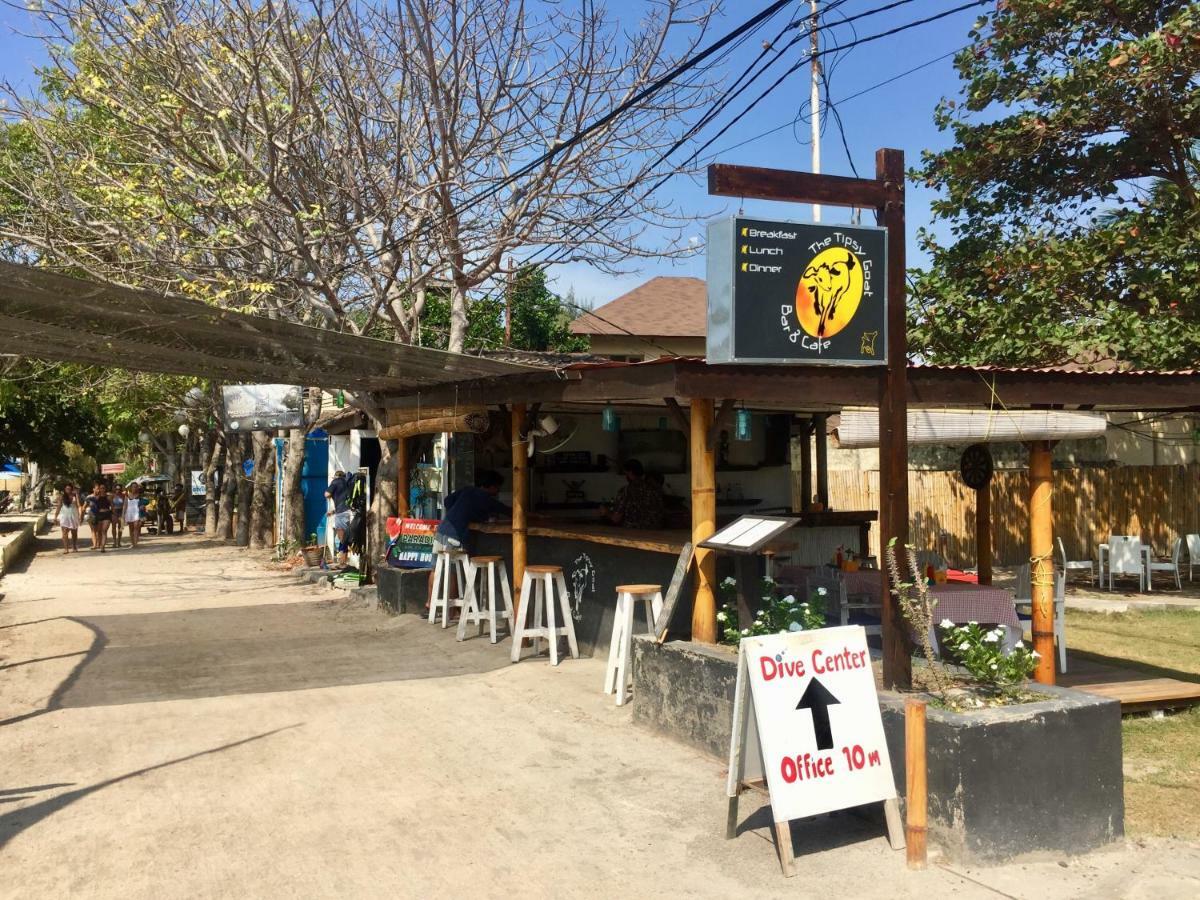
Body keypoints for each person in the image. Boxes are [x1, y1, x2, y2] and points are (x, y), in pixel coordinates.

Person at [434, 470, 510, 555]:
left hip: (442, 529)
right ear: (492, 486)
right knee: (453, 564)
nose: (498, 490)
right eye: (498, 487)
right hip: (455, 535)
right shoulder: (487, 500)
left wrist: (458, 513)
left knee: (436, 564)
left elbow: (447, 501)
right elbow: (508, 511)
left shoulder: (468, 490)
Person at [601, 459, 664, 529]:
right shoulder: (655, 489)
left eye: (625, 473)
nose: (625, 476)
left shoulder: (626, 491)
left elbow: (616, 518)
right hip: (655, 532)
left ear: (630, 472)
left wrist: (606, 512)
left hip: (633, 533)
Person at [325, 470, 351, 564]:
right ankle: (342, 561)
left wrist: (330, 493)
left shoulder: (336, 481)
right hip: (347, 512)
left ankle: (342, 563)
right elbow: (343, 502)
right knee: (343, 538)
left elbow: (327, 494)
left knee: (342, 538)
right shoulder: (347, 483)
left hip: (342, 514)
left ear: (336, 476)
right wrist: (332, 511)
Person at [54, 482, 81, 553]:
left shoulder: (75, 496)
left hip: (73, 516)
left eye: (69, 488)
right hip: (64, 517)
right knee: (65, 533)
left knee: (74, 533)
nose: (68, 490)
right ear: (64, 489)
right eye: (66, 488)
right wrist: (55, 517)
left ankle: (74, 547)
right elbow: (59, 507)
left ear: (72, 489)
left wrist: (80, 515)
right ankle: (66, 548)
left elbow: (78, 505)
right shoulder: (61, 497)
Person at [87, 482, 113, 552]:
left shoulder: (109, 497)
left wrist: (113, 515)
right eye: (100, 488)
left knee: (104, 530)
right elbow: (92, 505)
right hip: (99, 515)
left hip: (107, 514)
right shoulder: (96, 497)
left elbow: (112, 506)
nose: (102, 489)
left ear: (105, 489)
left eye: (103, 488)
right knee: (99, 531)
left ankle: (102, 547)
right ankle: (100, 544)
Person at [124, 483, 144, 548]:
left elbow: (143, 504)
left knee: (136, 527)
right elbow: (125, 505)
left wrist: (142, 507)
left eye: (136, 487)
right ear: (131, 488)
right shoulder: (127, 495)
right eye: (133, 487)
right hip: (129, 513)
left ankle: (135, 543)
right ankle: (132, 543)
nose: (134, 488)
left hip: (137, 513)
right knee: (131, 529)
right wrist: (123, 515)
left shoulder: (140, 496)